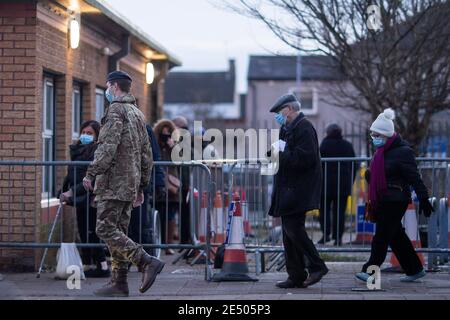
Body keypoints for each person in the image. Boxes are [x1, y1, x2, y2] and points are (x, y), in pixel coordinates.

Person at [83, 70, 164, 297]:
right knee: (119, 230)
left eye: (107, 86)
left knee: (105, 228)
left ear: (113, 86)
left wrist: (91, 173)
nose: (107, 91)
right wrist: (141, 186)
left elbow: (107, 147)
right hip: (130, 184)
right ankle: (119, 282)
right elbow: (147, 154)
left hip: (113, 183)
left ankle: (146, 261)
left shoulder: (116, 110)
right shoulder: (138, 114)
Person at [356, 108, 434, 283]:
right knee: (396, 236)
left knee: (381, 236)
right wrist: (370, 176)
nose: (374, 138)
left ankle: (371, 271)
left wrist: (423, 198)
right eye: (372, 135)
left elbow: (414, 177)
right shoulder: (381, 152)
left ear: (386, 134)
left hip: (395, 200)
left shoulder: (403, 152)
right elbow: (381, 174)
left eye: (377, 135)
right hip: (384, 199)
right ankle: (415, 269)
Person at [268, 93, 328, 289]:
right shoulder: (286, 129)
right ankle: (296, 275)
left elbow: (305, 159)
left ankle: (317, 266)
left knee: (294, 229)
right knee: (288, 233)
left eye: (279, 111)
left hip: (299, 189)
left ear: (289, 109)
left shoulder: (304, 128)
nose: (277, 115)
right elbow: (284, 154)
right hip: (288, 188)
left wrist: (280, 154)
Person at [59, 120, 110, 278]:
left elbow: (91, 177)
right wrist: (63, 190)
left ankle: (102, 266)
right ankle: (89, 263)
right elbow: (72, 173)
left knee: (92, 232)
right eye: (84, 132)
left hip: (91, 196)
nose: (85, 136)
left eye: (90, 133)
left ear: (96, 136)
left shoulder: (96, 151)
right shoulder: (78, 150)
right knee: (83, 230)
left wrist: (72, 192)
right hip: (79, 195)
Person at [128, 124, 166, 257]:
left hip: (140, 185)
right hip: (120, 185)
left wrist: (159, 183)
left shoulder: (144, 128)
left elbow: (155, 157)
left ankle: (147, 258)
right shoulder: (113, 125)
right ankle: (125, 260)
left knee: (141, 224)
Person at [319, 124, 356, 246]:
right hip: (343, 185)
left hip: (325, 185)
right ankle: (338, 237)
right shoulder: (347, 145)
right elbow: (354, 165)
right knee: (340, 212)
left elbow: (317, 164)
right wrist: (351, 181)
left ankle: (326, 234)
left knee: (324, 211)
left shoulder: (324, 144)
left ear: (328, 132)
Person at [153, 119, 181, 255]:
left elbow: (181, 160)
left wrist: (173, 147)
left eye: (168, 133)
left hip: (172, 185)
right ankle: (157, 243)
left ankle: (168, 244)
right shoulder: (155, 145)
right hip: (158, 184)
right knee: (158, 214)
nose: (166, 135)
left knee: (170, 216)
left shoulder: (175, 145)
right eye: (163, 133)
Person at [172, 116, 192, 246]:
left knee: (184, 214)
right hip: (184, 182)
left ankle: (185, 240)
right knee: (184, 214)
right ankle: (185, 240)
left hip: (182, 182)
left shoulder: (182, 139)